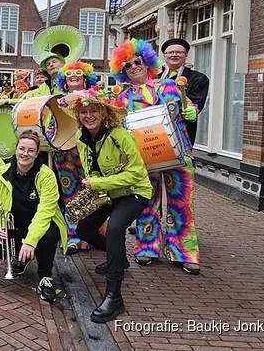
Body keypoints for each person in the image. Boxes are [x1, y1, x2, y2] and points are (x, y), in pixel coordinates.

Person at [60, 88, 152, 322]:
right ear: (78, 116)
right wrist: (93, 188)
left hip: (134, 192)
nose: (88, 116)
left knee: (115, 229)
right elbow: (91, 169)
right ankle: (118, 258)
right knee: (83, 230)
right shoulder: (82, 139)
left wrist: (100, 182)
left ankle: (114, 297)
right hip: (109, 193)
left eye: (93, 111)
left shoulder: (121, 136)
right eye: (83, 112)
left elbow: (136, 173)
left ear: (102, 113)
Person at [110, 38, 201, 274]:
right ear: (122, 71)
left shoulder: (170, 86)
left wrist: (191, 111)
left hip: (179, 155)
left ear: (146, 61)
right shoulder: (122, 99)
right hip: (145, 161)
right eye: (127, 66)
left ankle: (184, 252)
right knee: (146, 204)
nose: (133, 67)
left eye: (137, 62)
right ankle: (147, 248)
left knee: (182, 205)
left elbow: (189, 107)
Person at [0, 130, 68, 303]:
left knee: (50, 234)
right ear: (16, 149)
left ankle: (45, 275)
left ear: (37, 154)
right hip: (14, 223)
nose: (25, 153)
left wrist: (30, 241)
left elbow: (45, 211)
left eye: (31, 150)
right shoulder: (2, 172)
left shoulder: (46, 176)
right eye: (22, 148)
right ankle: (20, 261)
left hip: (40, 224)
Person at [53, 61, 100, 254]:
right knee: (70, 195)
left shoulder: (95, 97)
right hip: (65, 153)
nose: (73, 75)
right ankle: (73, 236)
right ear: (64, 79)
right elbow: (51, 125)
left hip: (90, 151)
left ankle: (94, 234)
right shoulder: (58, 101)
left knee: (95, 192)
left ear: (85, 77)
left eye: (78, 72)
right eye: (69, 73)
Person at [159, 38, 210, 145]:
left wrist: (192, 110)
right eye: (170, 52)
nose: (174, 55)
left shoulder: (199, 78)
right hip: (156, 130)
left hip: (183, 130)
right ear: (165, 56)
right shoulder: (155, 78)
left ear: (186, 56)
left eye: (179, 52)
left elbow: (196, 103)